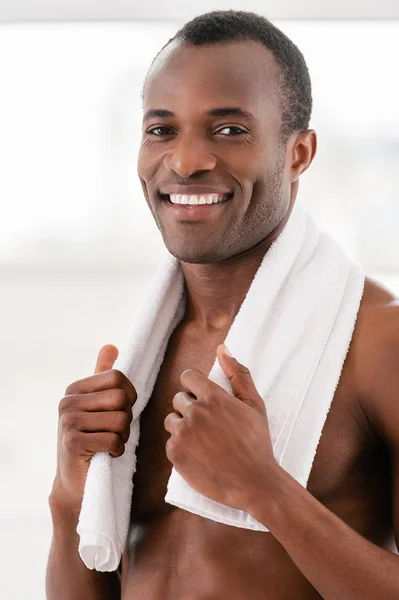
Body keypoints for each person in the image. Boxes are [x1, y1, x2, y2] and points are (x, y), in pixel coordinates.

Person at [46, 10, 399, 600]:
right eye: (162, 130)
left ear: (298, 154)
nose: (185, 162)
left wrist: (267, 491)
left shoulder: (379, 343)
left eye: (229, 130)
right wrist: (66, 498)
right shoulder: (140, 355)